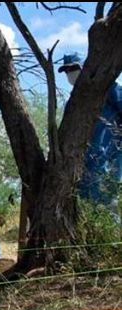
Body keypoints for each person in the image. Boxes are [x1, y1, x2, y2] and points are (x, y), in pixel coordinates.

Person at [59, 53, 122, 211]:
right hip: (83, 165)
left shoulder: (107, 88)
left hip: (107, 160)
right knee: (85, 206)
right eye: (66, 70)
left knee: (106, 205)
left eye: (74, 68)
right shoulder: (73, 102)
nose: (70, 73)